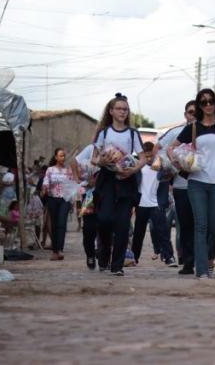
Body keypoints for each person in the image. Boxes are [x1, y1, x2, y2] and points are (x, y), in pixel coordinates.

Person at [168, 89, 215, 279]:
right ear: (199, 106)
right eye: (203, 102)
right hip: (197, 183)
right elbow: (171, 147)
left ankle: (210, 257)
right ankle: (201, 270)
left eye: (211, 101)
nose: (208, 104)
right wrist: (177, 161)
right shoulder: (193, 128)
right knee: (200, 226)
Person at [91, 93, 146, 276]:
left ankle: (117, 265)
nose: (122, 112)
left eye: (125, 109)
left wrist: (132, 170)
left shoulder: (132, 133)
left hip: (126, 180)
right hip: (107, 179)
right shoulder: (103, 132)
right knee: (105, 219)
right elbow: (94, 159)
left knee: (122, 224)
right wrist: (103, 162)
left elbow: (143, 159)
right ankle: (104, 255)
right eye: (119, 108)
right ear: (111, 111)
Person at [156, 100, 197, 274]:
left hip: (204, 184)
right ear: (185, 114)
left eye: (196, 112)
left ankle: (204, 258)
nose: (193, 115)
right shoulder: (175, 133)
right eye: (190, 112)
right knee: (185, 226)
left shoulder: (209, 132)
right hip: (181, 185)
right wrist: (171, 164)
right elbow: (159, 149)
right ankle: (188, 261)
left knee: (204, 225)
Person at [131, 141, 178, 267]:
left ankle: (168, 257)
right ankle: (134, 257)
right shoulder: (138, 168)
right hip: (141, 205)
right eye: (146, 156)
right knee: (138, 234)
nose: (149, 159)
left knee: (162, 232)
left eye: (151, 156)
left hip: (156, 205)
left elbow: (169, 180)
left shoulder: (161, 167)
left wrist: (161, 203)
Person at [71, 143, 100, 269]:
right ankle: (90, 255)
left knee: (106, 224)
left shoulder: (115, 149)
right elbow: (74, 161)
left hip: (108, 195)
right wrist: (79, 178)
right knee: (89, 227)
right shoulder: (91, 148)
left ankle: (103, 255)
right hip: (89, 195)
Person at [41, 148, 73, 261]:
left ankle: (60, 249)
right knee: (54, 224)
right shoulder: (50, 170)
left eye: (64, 156)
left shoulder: (68, 170)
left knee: (61, 224)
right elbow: (46, 182)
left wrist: (72, 202)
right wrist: (44, 189)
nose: (63, 158)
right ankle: (55, 250)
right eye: (60, 156)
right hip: (53, 199)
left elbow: (70, 186)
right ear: (56, 157)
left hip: (64, 199)